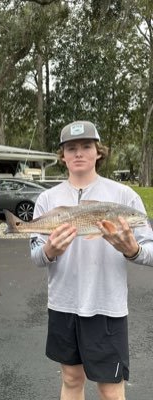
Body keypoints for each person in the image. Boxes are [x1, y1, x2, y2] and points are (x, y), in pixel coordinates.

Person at [30, 120, 153, 400]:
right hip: (62, 305)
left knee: (110, 390)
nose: (79, 153)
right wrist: (49, 251)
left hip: (106, 307)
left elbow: (150, 250)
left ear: (99, 151)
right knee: (72, 379)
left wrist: (132, 250)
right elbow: (37, 256)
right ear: (62, 155)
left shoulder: (123, 196)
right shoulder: (47, 200)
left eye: (86, 146)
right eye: (71, 148)